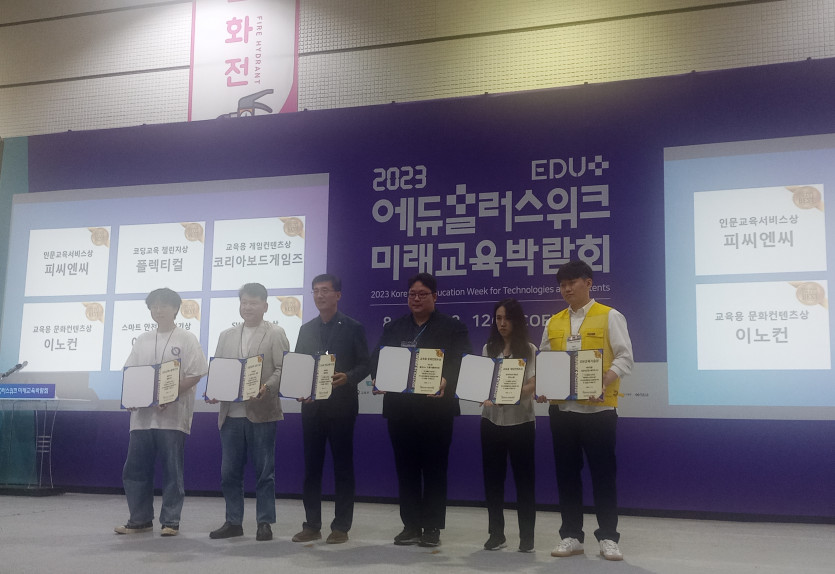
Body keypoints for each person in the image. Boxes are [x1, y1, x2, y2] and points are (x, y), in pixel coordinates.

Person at [538, 260, 633, 561]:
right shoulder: (553, 322)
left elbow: (625, 357)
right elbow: (545, 360)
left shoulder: (609, 316)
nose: (566, 289)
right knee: (566, 475)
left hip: (598, 412)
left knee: (603, 475)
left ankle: (608, 537)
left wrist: (603, 381)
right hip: (563, 411)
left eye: (572, 283)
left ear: (588, 283)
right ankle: (571, 535)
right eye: (562, 285)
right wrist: (543, 385)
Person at [370, 272, 472, 548]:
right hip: (401, 412)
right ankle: (411, 525)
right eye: (412, 294)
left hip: (436, 411)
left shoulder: (452, 327)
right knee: (406, 470)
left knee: (435, 470)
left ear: (435, 297)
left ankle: (432, 527)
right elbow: (376, 358)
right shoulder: (394, 328)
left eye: (422, 294)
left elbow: (463, 361)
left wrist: (446, 380)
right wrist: (378, 378)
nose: (416, 299)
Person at [115, 288, 208, 537]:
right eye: (154, 306)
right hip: (142, 418)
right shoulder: (143, 339)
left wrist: (169, 394)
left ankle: (171, 521)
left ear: (176, 309)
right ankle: (139, 520)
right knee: (135, 470)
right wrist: (131, 398)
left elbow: (196, 373)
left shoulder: (186, 338)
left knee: (172, 471)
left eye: (164, 305)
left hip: (172, 417)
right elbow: (131, 373)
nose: (158, 310)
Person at [291, 273, 370, 545]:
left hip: (341, 408)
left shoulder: (353, 327)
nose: (319, 295)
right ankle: (312, 525)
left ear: (338, 295)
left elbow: (365, 364)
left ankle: (341, 526)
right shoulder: (306, 329)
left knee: (343, 468)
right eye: (315, 291)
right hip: (312, 408)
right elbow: (299, 365)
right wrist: (300, 388)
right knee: (311, 469)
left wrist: (348, 377)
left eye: (325, 290)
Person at [207, 283, 289, 542]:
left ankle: (264, 523)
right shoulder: (226, 335)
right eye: (244, 302)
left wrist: (268, 387)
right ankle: (233, 522)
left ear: (265, 306)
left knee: (265, 473)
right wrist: (213, 390)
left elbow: (283, 368)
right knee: (229, 473)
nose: (248, 307)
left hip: (262, 413)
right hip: (231, 415)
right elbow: (218, 370)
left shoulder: (275, 333)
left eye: (253, 303)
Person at [480, 298, 537, 553]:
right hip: (491, 421)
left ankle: (527, 537)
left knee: (524, 481)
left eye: (507, 318)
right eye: (498, 318)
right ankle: (496, 534)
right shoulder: (488, 348)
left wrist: (513, 392)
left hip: (520, 422)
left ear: (517, 320)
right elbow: (483, 382)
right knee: (493, 481)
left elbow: (533, 383)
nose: (502, 323)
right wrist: (483, 392)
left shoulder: (529, 349)